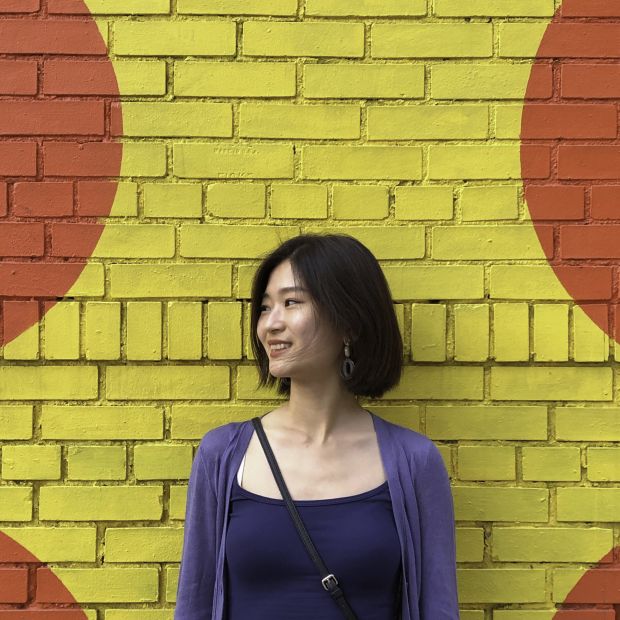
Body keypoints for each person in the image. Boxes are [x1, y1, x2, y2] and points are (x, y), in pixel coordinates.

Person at [174, 233, 459, 620]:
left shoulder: (414, 462)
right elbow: (194, 603)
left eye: (292, 303)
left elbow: (437, 608)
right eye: (264, 308)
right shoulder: (223, 455)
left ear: (350, 323)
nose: (270, 325)